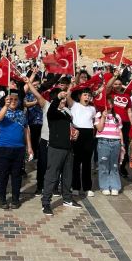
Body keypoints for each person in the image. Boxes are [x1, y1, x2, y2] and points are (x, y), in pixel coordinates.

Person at [42, 88, 81, 216]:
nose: (64, 101)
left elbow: (70, 127)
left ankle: (67, 199)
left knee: (67, 175)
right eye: (61, 100)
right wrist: (58, 97)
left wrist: (75, 133)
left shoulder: (67, 113)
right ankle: (46, 203)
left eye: (64, 99)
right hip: (56, 148)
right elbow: (53, 107)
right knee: (52, 176)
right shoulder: (52, 113)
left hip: (68, 148)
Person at [0, 89, 34, 209]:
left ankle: (15, 199)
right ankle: (2, 199)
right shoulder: (1, 110)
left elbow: (26, 130)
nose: (13, 101)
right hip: (4, 148)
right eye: (10, 99)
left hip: (19, 148)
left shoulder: (21, 113)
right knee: (3, 175)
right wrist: (5, 106)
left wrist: (29, 147)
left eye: (15, 100)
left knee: (17, 175)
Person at [66, 87, 96, 197]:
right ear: (80, 96)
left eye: (88, 95)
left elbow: (93, 121)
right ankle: (75, 187)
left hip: (88, 134)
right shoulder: (74, 105)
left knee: (87, 162)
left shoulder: (92, 109)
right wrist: (73, 85)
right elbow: (67, 95)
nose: (87, 97)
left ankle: (87, 187)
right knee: (76, 162)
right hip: (76, 133)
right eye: (85, 95)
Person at [94, 96, 123, 196]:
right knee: (103, 164)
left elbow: (120, 131)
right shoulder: (98, 114)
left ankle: (115, 186)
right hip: (103, 142)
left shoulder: (117, 116)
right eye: (106, 104)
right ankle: (105, 186)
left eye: (110, 103)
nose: (108, 106)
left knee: (114, 165)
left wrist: (122, 144)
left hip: (115, 142)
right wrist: (103, 116)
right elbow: (99, 128)